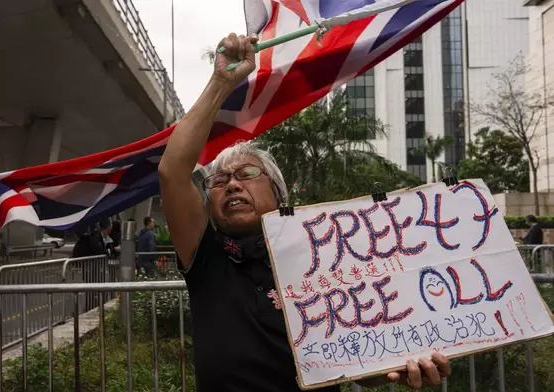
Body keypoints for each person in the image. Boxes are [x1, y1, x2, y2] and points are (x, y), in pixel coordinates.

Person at [158, 33, 451, 392]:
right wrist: (222, 82)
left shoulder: (326, 261)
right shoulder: (207, 260)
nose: (233, 184)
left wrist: (401, 365)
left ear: (280, 196)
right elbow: (172, 171)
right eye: (220, 180)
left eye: (247, 174)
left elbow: (362, 362)